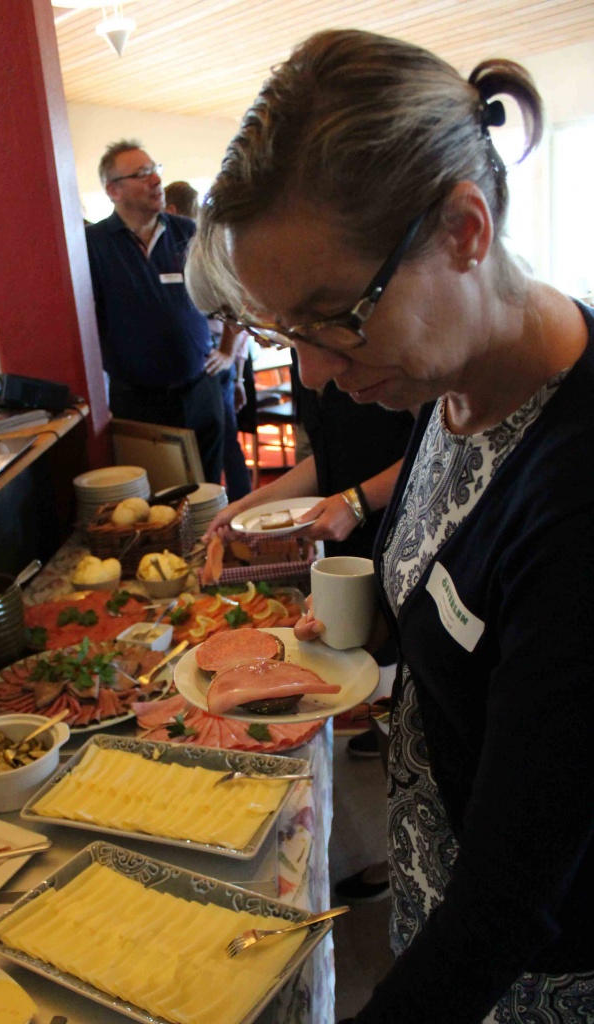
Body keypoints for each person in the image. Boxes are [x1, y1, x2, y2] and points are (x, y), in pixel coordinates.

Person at [187, 28, 594, 1024]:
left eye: (336, 315)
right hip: (428, 877)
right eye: (287, 332)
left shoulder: (576, 494)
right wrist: (355, 637)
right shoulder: (450, 389)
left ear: (464, 230)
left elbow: (514, 895)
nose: (316, 373)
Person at [85, 140, 225, 484]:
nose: (156, 180)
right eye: (142, 173)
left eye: (155, 169)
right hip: (138, 403)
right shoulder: (93, 244)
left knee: (210, 494)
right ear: (114, 190)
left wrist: (229, 349)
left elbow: (228, 291)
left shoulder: (187, 231)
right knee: (157, 500)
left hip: (200, 390)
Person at [165, 178, 252, 499]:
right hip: (214, 363)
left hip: (213, 363)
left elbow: (238, 315)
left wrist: (230, 359)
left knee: (224, 440)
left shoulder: (207, 252)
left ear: (171, 209)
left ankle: (239, 505)